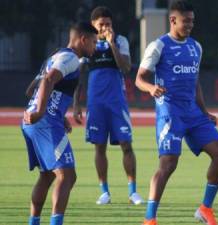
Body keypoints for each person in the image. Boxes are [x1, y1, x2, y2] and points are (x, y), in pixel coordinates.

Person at [135, 1, 218, 225]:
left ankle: (205, 208)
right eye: (186, 21)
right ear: (173, 20)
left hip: (193, 113)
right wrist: (151, 88)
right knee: (168, 164)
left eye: (192, 21)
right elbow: (139, 79)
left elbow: (194, 82)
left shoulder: (196, 47)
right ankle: (149, 219)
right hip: (170, 113)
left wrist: (205, 112)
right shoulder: (158, 46)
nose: (190, 25)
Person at [22, 22, 97, 225]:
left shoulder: (55, 56)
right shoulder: (70, 58)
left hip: (34, 121)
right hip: (43, 121)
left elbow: (33, 90)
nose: (95, 47)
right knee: (67, 176)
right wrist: (41, 112)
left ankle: (34, 222)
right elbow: (47, 81)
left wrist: (58, 114)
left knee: (47, 175)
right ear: (83, 39)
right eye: (93, 42)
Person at [73, 6, 143, 205]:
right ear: (93, 25)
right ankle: (104, 191)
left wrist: (112, 44)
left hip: (117, 103)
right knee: (99, 147)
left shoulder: (120, 41)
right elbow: (78, 76)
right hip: (95, 104)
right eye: (101, 24)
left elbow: (126, 68)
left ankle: (132, 192)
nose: (105, 28)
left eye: (108, 24)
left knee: (126, 145)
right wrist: (76, 105)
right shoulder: (87, 44)